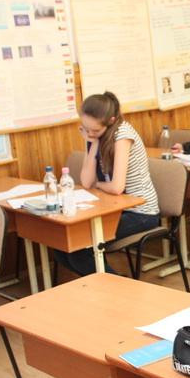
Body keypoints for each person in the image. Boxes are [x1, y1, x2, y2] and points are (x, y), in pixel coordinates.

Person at [54, 92, 159, 276]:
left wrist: (99, 184)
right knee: (63, 247)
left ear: (111, 121)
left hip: (141, 212)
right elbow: (87, 182)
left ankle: (115, 286)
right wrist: (92, 143)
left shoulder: (122, 135)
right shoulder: (95, 136)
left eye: (94, 131)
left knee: (80, 249)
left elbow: (117, 187)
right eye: (86, 129)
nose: (89, 133)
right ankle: (105, 284)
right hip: (116, 208)